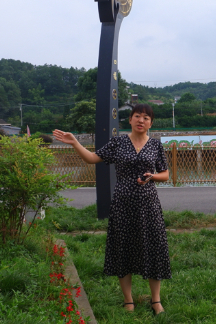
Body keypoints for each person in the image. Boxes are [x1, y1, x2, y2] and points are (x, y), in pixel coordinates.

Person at [52, 104, 170, 315]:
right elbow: (92, 158)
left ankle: (156, 300)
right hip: (122, 204)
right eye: (137, 116)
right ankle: (128, 300)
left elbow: (165, 174)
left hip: (149, 205)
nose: (141, 120)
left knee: (153, 249)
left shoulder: (155, 145)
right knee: (122, 249)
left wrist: (152, 177)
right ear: (130, 120)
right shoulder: (118, 142)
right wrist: (75, 142)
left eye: (146, 118)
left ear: (151, 123)